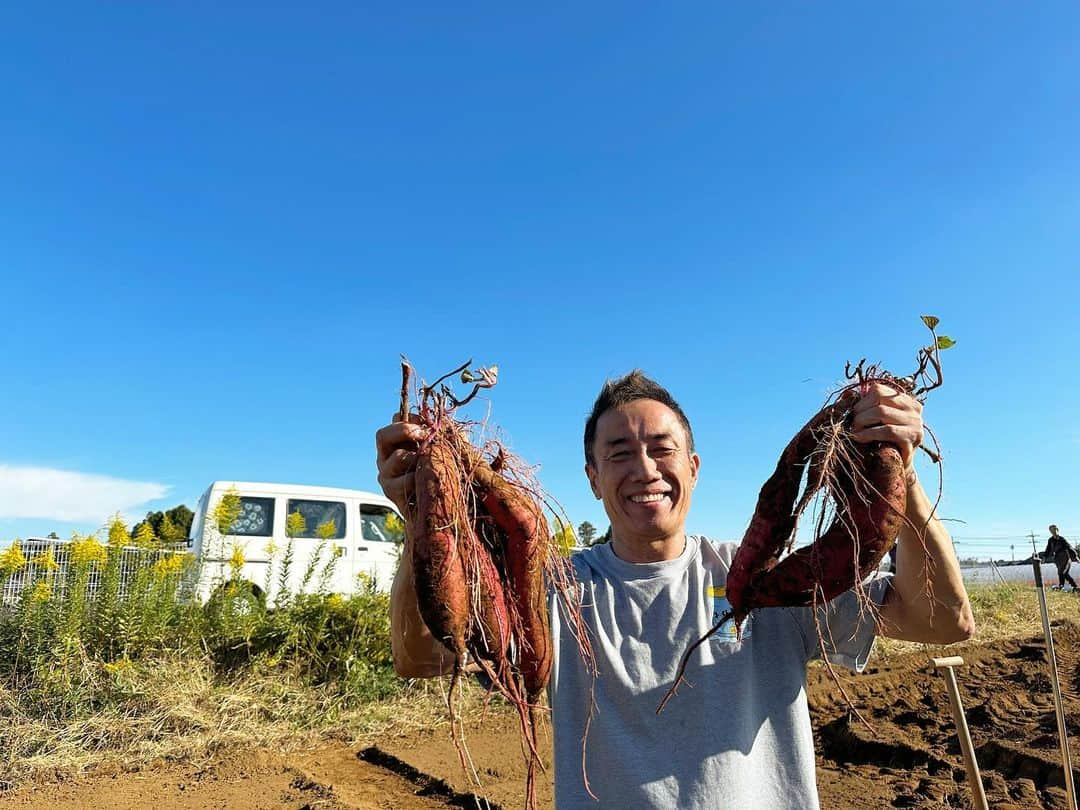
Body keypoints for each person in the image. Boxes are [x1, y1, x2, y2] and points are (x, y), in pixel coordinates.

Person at [375, 371, 975, 809]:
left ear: (693, 467)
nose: (644, 470)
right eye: (618, 454)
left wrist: (901, 471)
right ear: (592, 479)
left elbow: (944, 621)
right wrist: (421, 512)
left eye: (663, 450)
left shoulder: (763, 580)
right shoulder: (551, 590)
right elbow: (420, 657)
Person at [1044, 525, 1078, 590]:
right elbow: (1048, 550)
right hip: (1058, 559)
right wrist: (1044, 557)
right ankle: (1074, 586)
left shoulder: (1062, 539)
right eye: (1051, 530)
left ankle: (1061, 586)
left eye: (1054, 530)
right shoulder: (1050, 540)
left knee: (1061, 572)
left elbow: (1069, 547)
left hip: (1065, 558)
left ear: (1057, 530)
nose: (1053, 531)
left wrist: (1075, 556)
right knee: (1064, 574)